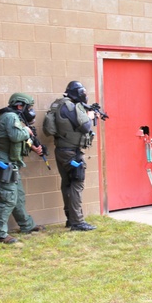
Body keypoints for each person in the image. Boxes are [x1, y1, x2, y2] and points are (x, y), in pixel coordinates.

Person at [0, 93, 45, 244]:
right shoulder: (10, 117)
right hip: (4, 164)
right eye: (29, 107)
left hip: (11, 163)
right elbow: (15, 136)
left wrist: (33, 147)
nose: (30, 111)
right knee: (8, 198)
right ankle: (0, 234)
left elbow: (16, 140)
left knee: (18, 197)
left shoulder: (12, 117)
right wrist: (27, 130)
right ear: (20, 106)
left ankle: (27, 225)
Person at [44, 81, 96, 231]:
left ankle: (70, 218)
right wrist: (90, 116)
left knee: (67, 183)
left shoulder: (59, 104)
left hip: (61, 149)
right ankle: (77, 222)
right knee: (77, 183)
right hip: (72, 152)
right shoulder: (71, 107)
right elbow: (85, 127)